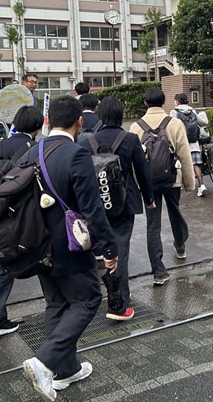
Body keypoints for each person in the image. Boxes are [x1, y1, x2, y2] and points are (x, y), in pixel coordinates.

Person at [20, 95, 118, 401]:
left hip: (36, 244)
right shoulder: (74, 154)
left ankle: (65, 371)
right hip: (68, 245)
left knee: (57, 304)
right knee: (88, 299)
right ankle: (45, 362)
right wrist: (109, 249)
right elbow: (92, 208)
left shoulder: (29, 152)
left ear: (48, 121)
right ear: (79, 121)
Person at [79, 97, 155, 321]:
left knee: (99, 251)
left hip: (96, 205)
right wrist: (149, 198)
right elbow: (142, 173)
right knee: (120, 250)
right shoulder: (130, 140)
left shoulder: (87, 142)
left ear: (100, 115)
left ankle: (93, 299)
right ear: (121, 115)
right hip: (124, 204)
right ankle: (119, 302)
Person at [0, 106, 44, 337]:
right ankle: (55, 307)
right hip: (27, 214)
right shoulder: (36, 148)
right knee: (43, 257)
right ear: (38, 127)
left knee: (2, 264)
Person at [129, 87, 194, 285]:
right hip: (172, 179)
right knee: (175, 211)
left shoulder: (136, 127)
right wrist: (189, 182)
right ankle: (180, 245)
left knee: (153, 223)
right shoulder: (174, 123)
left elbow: (133, 162)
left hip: (148, 183)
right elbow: (184, 154)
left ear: (145, 103)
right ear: (164, 102)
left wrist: (139, 184)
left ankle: (158, 271)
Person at [170, 93, 209, 196]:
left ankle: (183, 185)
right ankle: (201, 186)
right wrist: (203, 114)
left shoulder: (174, 112)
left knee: (180, 163)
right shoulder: (192, 111)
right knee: (196, 164)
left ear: (177, 101)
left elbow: (170, 126)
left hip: (181, 143)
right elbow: (203, 123)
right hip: (194, 142)